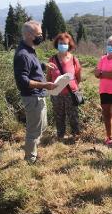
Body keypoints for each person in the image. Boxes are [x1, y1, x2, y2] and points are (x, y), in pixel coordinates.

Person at [13, 20, 56, 164]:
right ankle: (30, 159)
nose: (41, 37)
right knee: (33, 130)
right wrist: (44, 85)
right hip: (32, 98)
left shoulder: (30, 50)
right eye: (38, 34)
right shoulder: (22, 55)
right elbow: (23, 81)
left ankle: (33, 152)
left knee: (42, 126)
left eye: (41, 33)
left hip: (39, 95)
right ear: (28, 34)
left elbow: (31, 67)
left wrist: (43, 65)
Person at [47, 32, 82, 141]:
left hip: (71, 94)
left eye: (65, 43)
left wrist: (72, 86)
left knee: (73, 117)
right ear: (57, 44)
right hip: (57, 94)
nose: (62, 45)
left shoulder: (74, 59)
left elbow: (78, 77)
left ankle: (76, 137)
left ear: (69, 45)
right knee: (59, 116)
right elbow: (48, 78)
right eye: (60, 43)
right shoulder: (52, 60)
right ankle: (60, 137)